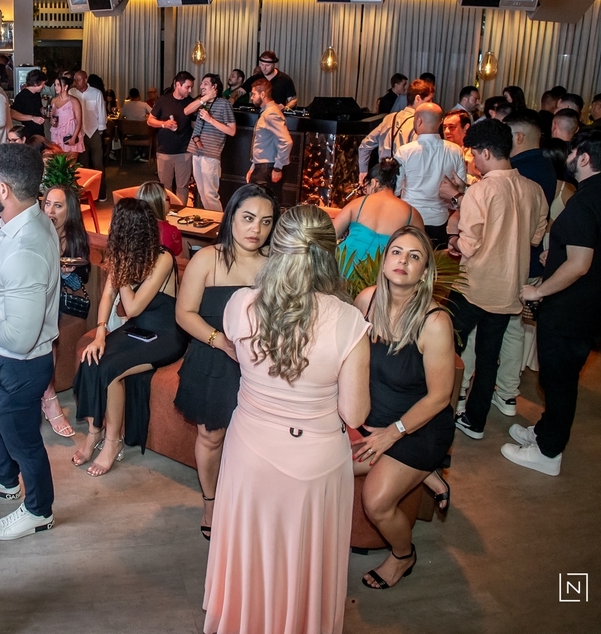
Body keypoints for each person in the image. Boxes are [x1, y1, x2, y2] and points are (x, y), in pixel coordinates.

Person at [203, 205, 370, 634]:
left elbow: (242, 357)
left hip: (250, 452)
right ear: (330, 253)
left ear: (277, 247)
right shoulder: (349, 321)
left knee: (251, 549)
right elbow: (355, 413)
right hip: (316, 462)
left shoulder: (242, 304)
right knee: (304, 556)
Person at [511, 129, 601, 475]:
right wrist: (557, 254)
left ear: (584, 158)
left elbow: (580, 265)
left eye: (573, 152)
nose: (569, 157)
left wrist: (538, 291)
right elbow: (599, 248)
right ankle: (545, 432)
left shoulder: (584, 202)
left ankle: (548, 453)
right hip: (595, 309)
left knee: (559, 383)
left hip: (569, 312)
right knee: (560, 380)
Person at [351, 227, 455, 589]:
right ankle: (427, 476)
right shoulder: (366, 300)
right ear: (385, 261)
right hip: (373, 419)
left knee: (376, 501)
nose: (403, 261)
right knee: (326, 467)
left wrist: (391, 435)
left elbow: (439, 397)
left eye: (414, 256)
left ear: (424, 272)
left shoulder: (435, 322)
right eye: (396, 252)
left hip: (418, 427)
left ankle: (402, 555)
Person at [173, 185, 275, 540]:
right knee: (211, 435)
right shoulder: (207, 259)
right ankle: (211, 502)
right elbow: (184, 313)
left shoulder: (274, 265)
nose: (256, 229)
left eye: (266, 221)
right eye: (248, 218)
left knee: (256, 439)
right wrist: (222, 342)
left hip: (259, 364)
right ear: (231, 217)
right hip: (214, 357)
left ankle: (249, 500)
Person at [0, 144, 61, 542]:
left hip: (18, 364)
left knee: (24, 440)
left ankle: (39, 510)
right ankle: (5, 480)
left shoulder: (26, 248)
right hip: (7, 361)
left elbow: (19, 338)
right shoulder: (26, 221)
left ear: (4, 189)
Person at [445, 119, 547, 439]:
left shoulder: (482, 190)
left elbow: (470, 245)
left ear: (486, 152)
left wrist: (454, 241)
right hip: (510, 288)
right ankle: (475, 421)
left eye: (475, 154)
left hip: (474, 286)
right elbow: (536, 237)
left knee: (445, 345)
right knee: (489, 357)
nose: (474, 161)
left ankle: (441, 409)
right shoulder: (534, 190)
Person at [74, 198, 189, 475]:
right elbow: (107, 296)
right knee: (92, 358)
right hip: (137, 330)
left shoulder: (162, 258)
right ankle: (94, 431)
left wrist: (122, 269)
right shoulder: (123, 257)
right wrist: (100, 333)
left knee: (110, 369)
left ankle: (113, 442)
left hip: (164, 334)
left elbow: (133, 307)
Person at [41, 185, 89, 439]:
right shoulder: (37, 232)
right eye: (47, 203)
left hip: (58, 301)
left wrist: (65, 275)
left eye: (57, 206)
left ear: (69, 211)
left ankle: (48, 397)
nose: (50, 210)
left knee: (47, 329)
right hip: (34, 295)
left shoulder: (73, 241)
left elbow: (81, 280)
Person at [335, 158, 423, 278]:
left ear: (374, 182)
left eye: (367, 186)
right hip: (379, 273)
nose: (366, 191)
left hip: (343, 266)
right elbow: (421, 252)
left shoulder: (358, 203)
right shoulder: (412, 214)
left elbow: (329, 235)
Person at [394, 103, 466, 246]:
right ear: (440, 123)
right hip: (440, 220)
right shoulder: (456, 150)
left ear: (418, 121)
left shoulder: (405, 151)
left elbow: (395, 189)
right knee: (436, 257)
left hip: (410, 217)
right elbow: (460, 188)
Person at [359, 78, 428, 181]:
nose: (431, 104)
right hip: (405, 180)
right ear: (418, 98)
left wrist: (363, 171)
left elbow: (365, 144)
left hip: (383, 178)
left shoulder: (389, 118)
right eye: (429, 100)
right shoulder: (418, 123)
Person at [188, 73, 238, 212]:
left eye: (205, 83)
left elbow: (232, 131)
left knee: (210, 194)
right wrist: (204, 99)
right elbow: (186, 111)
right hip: (196, 150)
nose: (201, 86)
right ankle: (210, 220)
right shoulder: (201, 101)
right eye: (201, 83)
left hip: (211, 153)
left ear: (214, 87)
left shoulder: (224, 104)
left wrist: (210, 120)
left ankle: (219, 222)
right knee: (202, 192)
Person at [148, 71, 197, 198]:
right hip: (164, 151)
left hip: (184, 151)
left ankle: (181, 209)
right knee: (165, 187)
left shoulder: (191, 103)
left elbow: (194, 126)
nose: (190, 90)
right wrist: (164, 124)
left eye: (191, 87)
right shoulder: (163, 100)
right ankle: (167, 209)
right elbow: (150, 120)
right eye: (187, 87)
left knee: (182, 187)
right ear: (177, 85)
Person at [246, 78, 293, 202]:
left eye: (253, 94)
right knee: (258, 204)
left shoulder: (271, 113)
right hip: (262, 166)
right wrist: (253, 167)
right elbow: (262, 142)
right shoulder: (267, 112)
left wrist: (278, 168)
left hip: (267, 168)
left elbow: (286, 141)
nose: (251, 97)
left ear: (263, 94)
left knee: (264, 204)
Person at [72, 71, 109, 198]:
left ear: (85, 79)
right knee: (83, 165)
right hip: (79, 133)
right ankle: (86, 194)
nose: (76, 82)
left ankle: (101, 192)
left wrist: (101, 130)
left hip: (94, 132)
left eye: (79, 80)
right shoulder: (72, 93)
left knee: (98, 163)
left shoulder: (96, 93)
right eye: (75, 80)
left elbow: (102, 112)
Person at [137, 181, 183, 256]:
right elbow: (179, 260)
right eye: (167, 198)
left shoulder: (134, 228)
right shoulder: (171, 231)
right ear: (159, 203)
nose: (169, 202)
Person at [49, 74, 85, 155]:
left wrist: (74, 138)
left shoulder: (74, 101)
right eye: (55, 85)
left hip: (70, 133)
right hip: (57, 134)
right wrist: (52, 120)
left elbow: (79, 122)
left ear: (66, 86)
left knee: (70, 161)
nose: (55, 87)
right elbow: (52, 119)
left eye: (58, 85)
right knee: (57, 160)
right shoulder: (53, 101)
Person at [10, 69, 47, 138]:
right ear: (35, 83)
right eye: (43, 84)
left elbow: (38, 108)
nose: (44, 86)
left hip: (39, 131)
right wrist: (32, 118)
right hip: (28, 133)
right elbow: (13, 114)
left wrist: (44, 111)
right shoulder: (22, 96)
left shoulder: (37, 94)